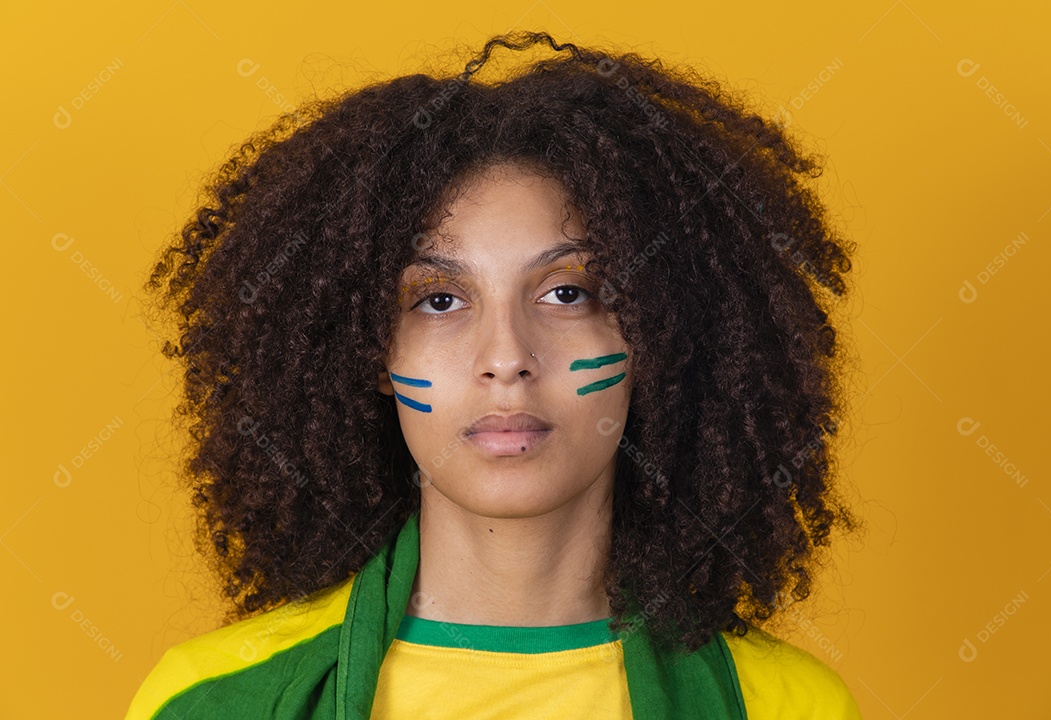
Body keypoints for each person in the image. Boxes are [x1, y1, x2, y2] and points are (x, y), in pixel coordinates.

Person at [125, 30, 865, 719]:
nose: (507, 357)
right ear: (369, 352)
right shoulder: (217, 699)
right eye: (440, 300)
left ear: (657, 334)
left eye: (567, 293)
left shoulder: (785, 703)